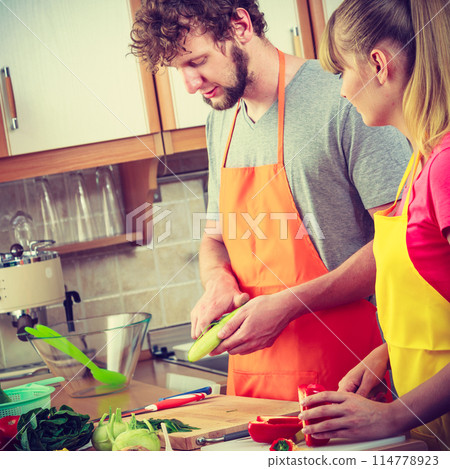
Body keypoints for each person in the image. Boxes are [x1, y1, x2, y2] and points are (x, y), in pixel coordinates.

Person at [130, 0, 411, 401]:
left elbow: (400, 244)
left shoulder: (346, 97)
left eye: (197, 61)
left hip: (350, 375)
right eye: (179, 70)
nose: (190, 84)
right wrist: (218, 281)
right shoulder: (220, 120)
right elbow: (215, 239)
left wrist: (289, 305)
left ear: (240, 25)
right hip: (256, 391)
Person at [298, 0, 450, 450]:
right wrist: (390, 353)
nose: (343, 91)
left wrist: (390, 418)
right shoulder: (420, 162)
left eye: (342, 71)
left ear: (379, 65)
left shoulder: (444, 168)